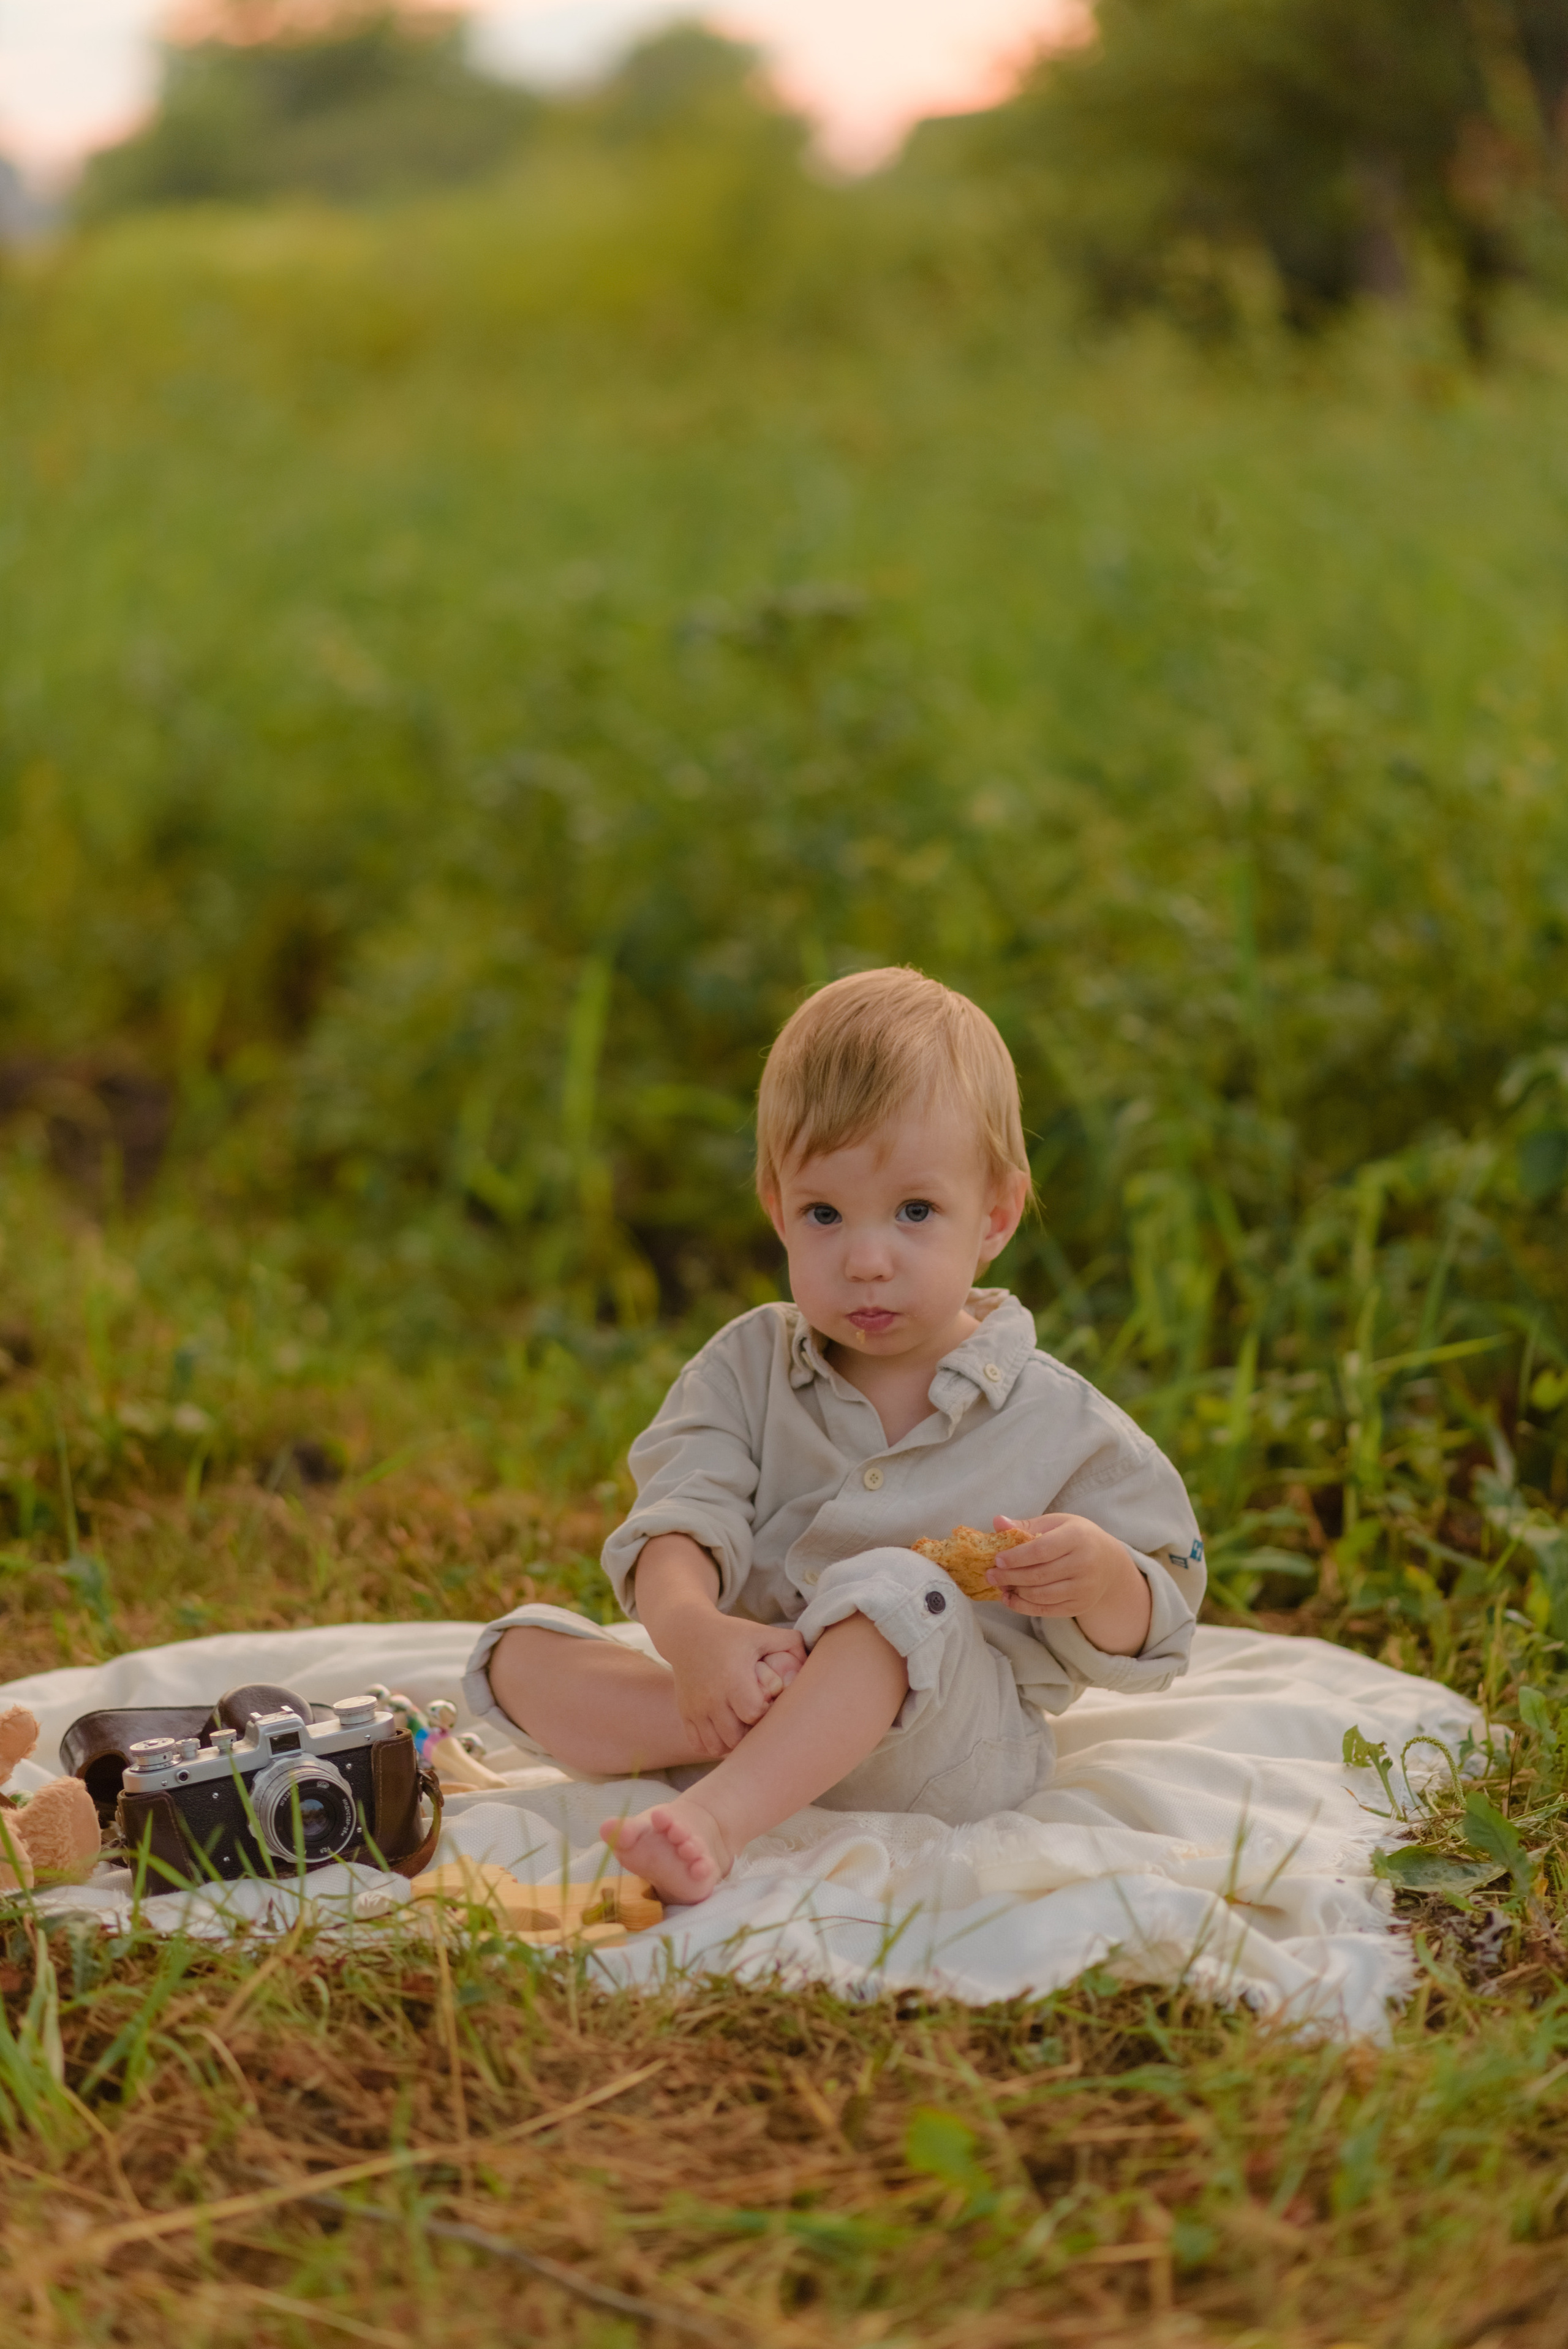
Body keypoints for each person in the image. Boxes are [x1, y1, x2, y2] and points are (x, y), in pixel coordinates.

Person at [462, 967, 1205, 1905]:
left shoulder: (1058, 1418)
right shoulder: (746, 1366)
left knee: (896, 1585)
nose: (865, 1258)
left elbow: (1168, 1598)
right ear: (777, 1209)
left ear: (997, 1216)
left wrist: (1100, 1578)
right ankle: (732, 1730)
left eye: (915, 1212)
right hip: (756, 1691)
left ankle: (715, 1818)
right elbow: (680, 1521)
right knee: (515, 1650)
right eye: (825, 1214)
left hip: (945, 1749)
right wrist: (696, 1639)